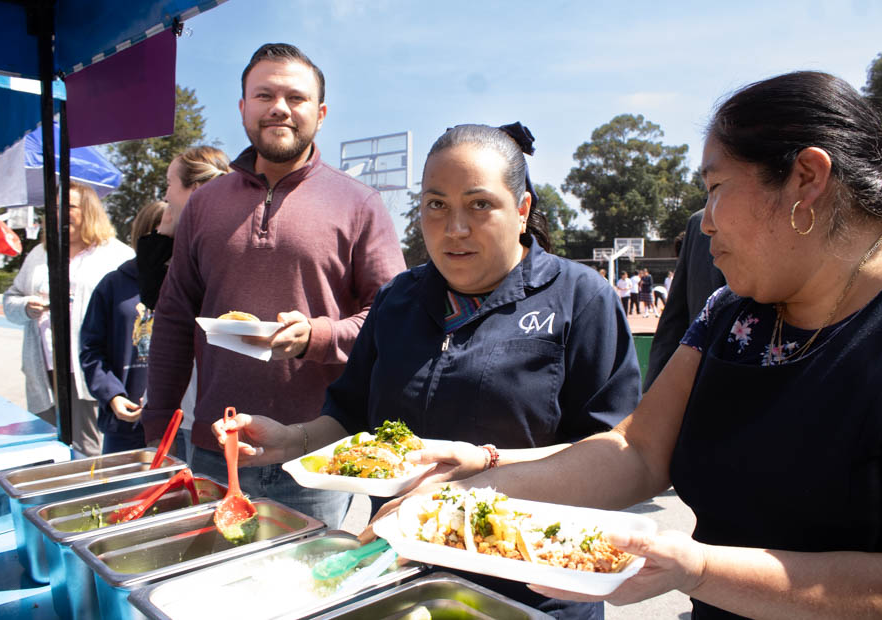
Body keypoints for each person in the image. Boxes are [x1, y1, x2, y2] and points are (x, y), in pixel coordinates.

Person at [388, 71, 882, 619]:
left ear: (806, 178)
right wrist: (464, 494)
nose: (703, 224)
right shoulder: (731, 312)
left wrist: (699, 569)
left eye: (715, 189)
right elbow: (637, 450)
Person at [213, 122, 641, 618]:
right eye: (436, 205)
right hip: (401, 578)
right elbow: (351, 421)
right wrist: (289, 440)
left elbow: (612, 457)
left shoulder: (582, 300)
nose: (454, 228)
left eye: (479, 204)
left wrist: (483, 467)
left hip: (529, 588)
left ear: (522, 210)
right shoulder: (398, 299)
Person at [144, 43, 405, 528]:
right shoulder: (204, 205)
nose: (279, 108)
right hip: (214, 452)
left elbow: (392, 319)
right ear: (243, 107)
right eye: (264, 95)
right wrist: (158, 425)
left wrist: (317, 336)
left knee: (304, 595)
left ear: (320, 113)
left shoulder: (360, 204)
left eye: (296, 97)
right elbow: (175, 318)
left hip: (315, 457)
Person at [3, 181, 134, 455]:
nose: (59, 213)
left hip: (92, 370)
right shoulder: (40, 254)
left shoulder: (116, 255)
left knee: (92, 451)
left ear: (89, 211)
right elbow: (10, 299)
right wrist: (27, 305)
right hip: (47, 369)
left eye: (69, 206)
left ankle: (95, 498)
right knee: (50, 446)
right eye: (54, 207)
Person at [135, 145, 231, 461]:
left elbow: (159, 302)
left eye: (169, 184)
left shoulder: (216, 248)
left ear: (197, 188)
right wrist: (164, 232)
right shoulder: (184, 242)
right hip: (187, 400)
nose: (164, 196)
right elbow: (153, 296)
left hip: (202, 402)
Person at [80, 201, 166, 453]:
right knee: (124, 492)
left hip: (175, 424)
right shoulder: (112, 285)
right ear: (145, 234)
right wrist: (112, 395)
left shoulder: (189, 284)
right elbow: (90, 348)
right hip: (125, 424)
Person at [643, 210, 725, 390]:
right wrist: (653, 392)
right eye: (711, 189)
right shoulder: (699, 224)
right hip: (706, 388)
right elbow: (675, 319)